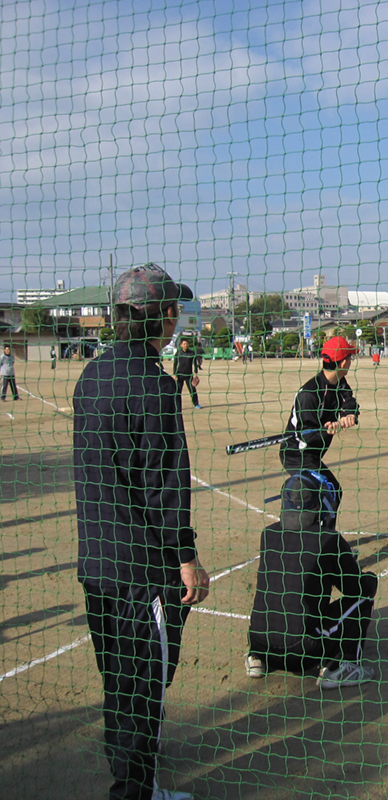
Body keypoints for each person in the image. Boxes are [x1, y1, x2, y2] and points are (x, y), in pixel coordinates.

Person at [73, 263, 210, 800]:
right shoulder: (154, 383)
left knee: (119, 684)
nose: (176, 317)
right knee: (143, 690)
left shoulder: (93, 376)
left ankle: (135, 777)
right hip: (140, 573)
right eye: (172, 307)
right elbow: (166, 485)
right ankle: (135, 791)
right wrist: (186, 558)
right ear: (159, 315)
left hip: (98, 566)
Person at [245, 470, 378, 688]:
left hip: (260, 642)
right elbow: (355, 588)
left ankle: (256, 658)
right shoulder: (328, 539)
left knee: (276, 597)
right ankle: (342, 668)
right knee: (363, 600)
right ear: (318, 505)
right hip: (302, 654)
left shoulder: (267, 534)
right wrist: (371, 580)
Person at [280, 336, 360, 503]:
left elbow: (348, 399)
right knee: (328, 493)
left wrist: (349, 414)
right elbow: (306, 435)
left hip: (313, 453)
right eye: (350, 358)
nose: (351, 361)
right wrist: (326, 430)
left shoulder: (339, 381)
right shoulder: (308, 394)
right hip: (298, 454)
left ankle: (324, 529)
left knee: (331, 493)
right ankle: (311, 528)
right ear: (343, 363)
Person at [172, 339, 202, 409]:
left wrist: (195, 373)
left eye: (187, 344)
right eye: (184, 344)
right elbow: (175, 364)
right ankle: (177, 406)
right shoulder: (178, 353)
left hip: (189, 375)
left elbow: (194, 364)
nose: (185, 345)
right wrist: (175, 374)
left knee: (192, 390)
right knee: (178, 391)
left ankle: (196, 404)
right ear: (181, 345)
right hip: (180, 375)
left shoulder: (192, 353)